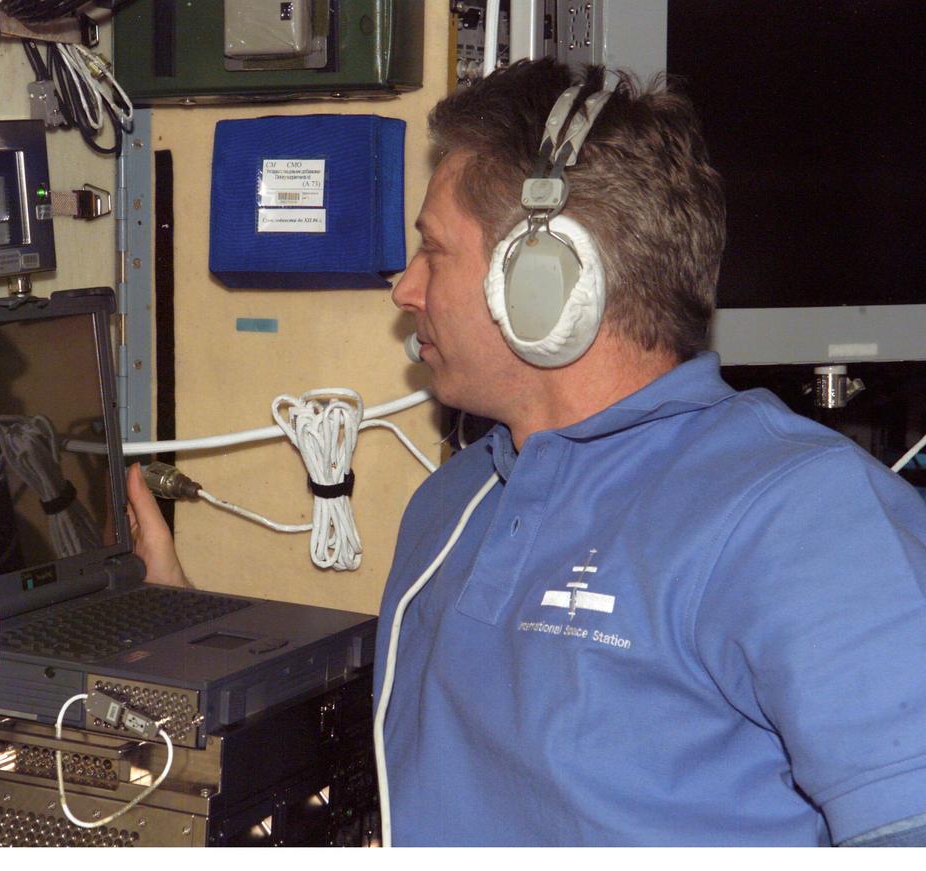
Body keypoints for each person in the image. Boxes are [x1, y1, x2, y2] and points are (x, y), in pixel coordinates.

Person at [125, 59, 926, 846]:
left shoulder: (808, 516)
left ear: (544, 279)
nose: (405, 289)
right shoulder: (453, 502)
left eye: (434, 250)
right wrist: (185, 641)